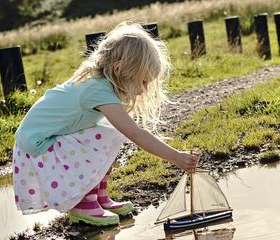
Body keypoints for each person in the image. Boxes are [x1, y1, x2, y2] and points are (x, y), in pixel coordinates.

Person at [12, 22, 200, 227]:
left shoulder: (100, 82)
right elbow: (135, 133)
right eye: (143, 81)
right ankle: (84, 203)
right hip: (38, 147)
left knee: (108, 133)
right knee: (107, 135)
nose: (145, 90)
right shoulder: (97, 90)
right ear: (119, 69)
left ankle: (98, 196)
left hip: (46, 141)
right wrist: (176, 157)